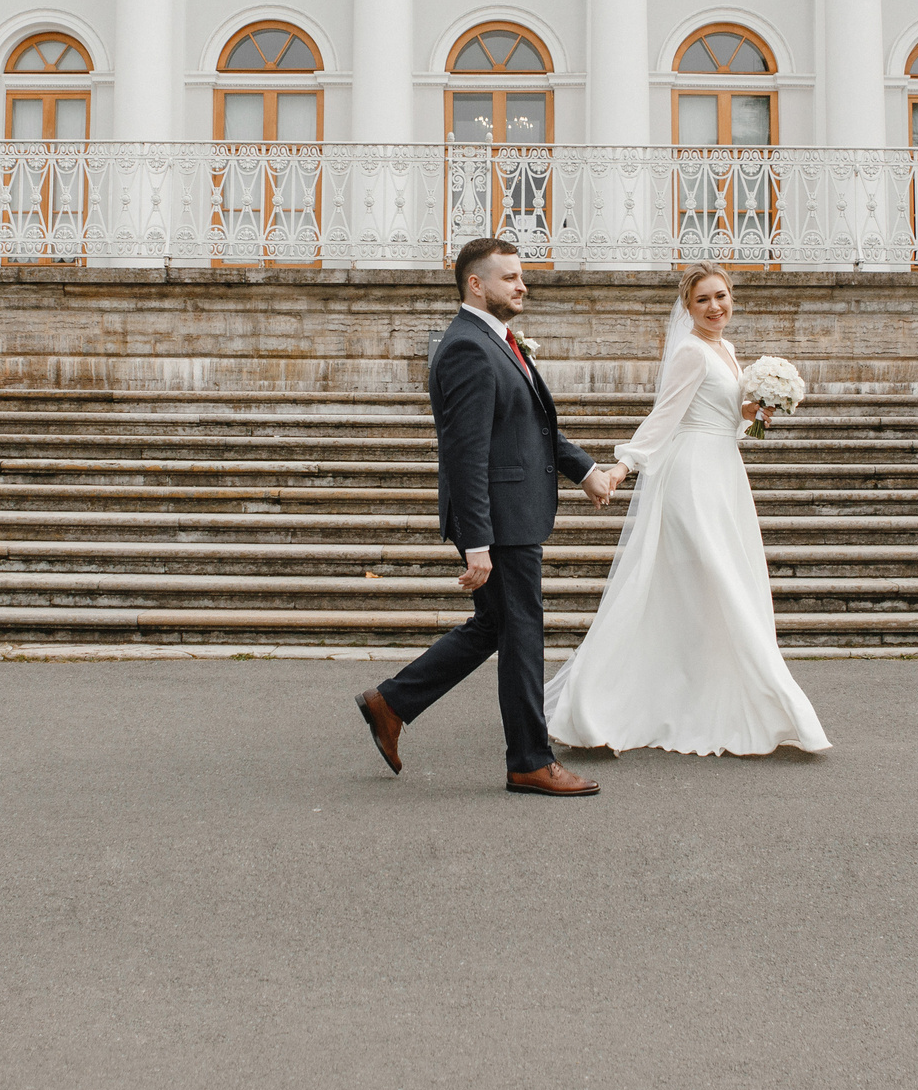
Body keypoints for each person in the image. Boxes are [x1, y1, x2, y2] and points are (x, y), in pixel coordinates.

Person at [355, 238, 625, 795]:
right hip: (498, 520)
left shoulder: (495, 340)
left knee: (496, 626)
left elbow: (531, 426)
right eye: (509, 278)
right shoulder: (467, 349)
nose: (522, 285)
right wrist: (476, 541)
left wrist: (586, 471)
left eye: (521, 276)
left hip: (511, 513)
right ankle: (528, 759)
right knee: (521, 632)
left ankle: (392, 702)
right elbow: (466, 453)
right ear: (476, 285)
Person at [543, 263, 831, 757]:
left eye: (721, 296)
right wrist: (622, 466)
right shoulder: (690, 352)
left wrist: (757, 411)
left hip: (724, 473)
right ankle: (605, 701)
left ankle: (709, 696)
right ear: (688, 306)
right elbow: (665, 417)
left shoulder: (727, 350)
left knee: (711, 591)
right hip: (692, 478)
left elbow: (724, 413)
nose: (715, 306)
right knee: (717, 582)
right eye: (703, 300)